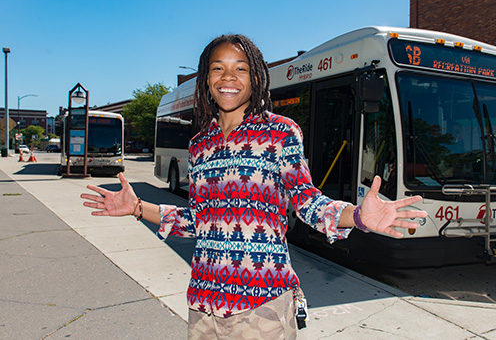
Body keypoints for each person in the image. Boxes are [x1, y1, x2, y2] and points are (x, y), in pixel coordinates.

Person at [81, 34, 427, 339]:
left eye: (240, 68)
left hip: (261, 305)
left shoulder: (281, 133)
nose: (228, 77)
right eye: (218, 68)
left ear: (256, 77)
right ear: (206, 80)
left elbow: (307, 202)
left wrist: (358, 217)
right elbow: (200, 221)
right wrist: (138, 208)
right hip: (203, 304)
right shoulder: (200, 145)